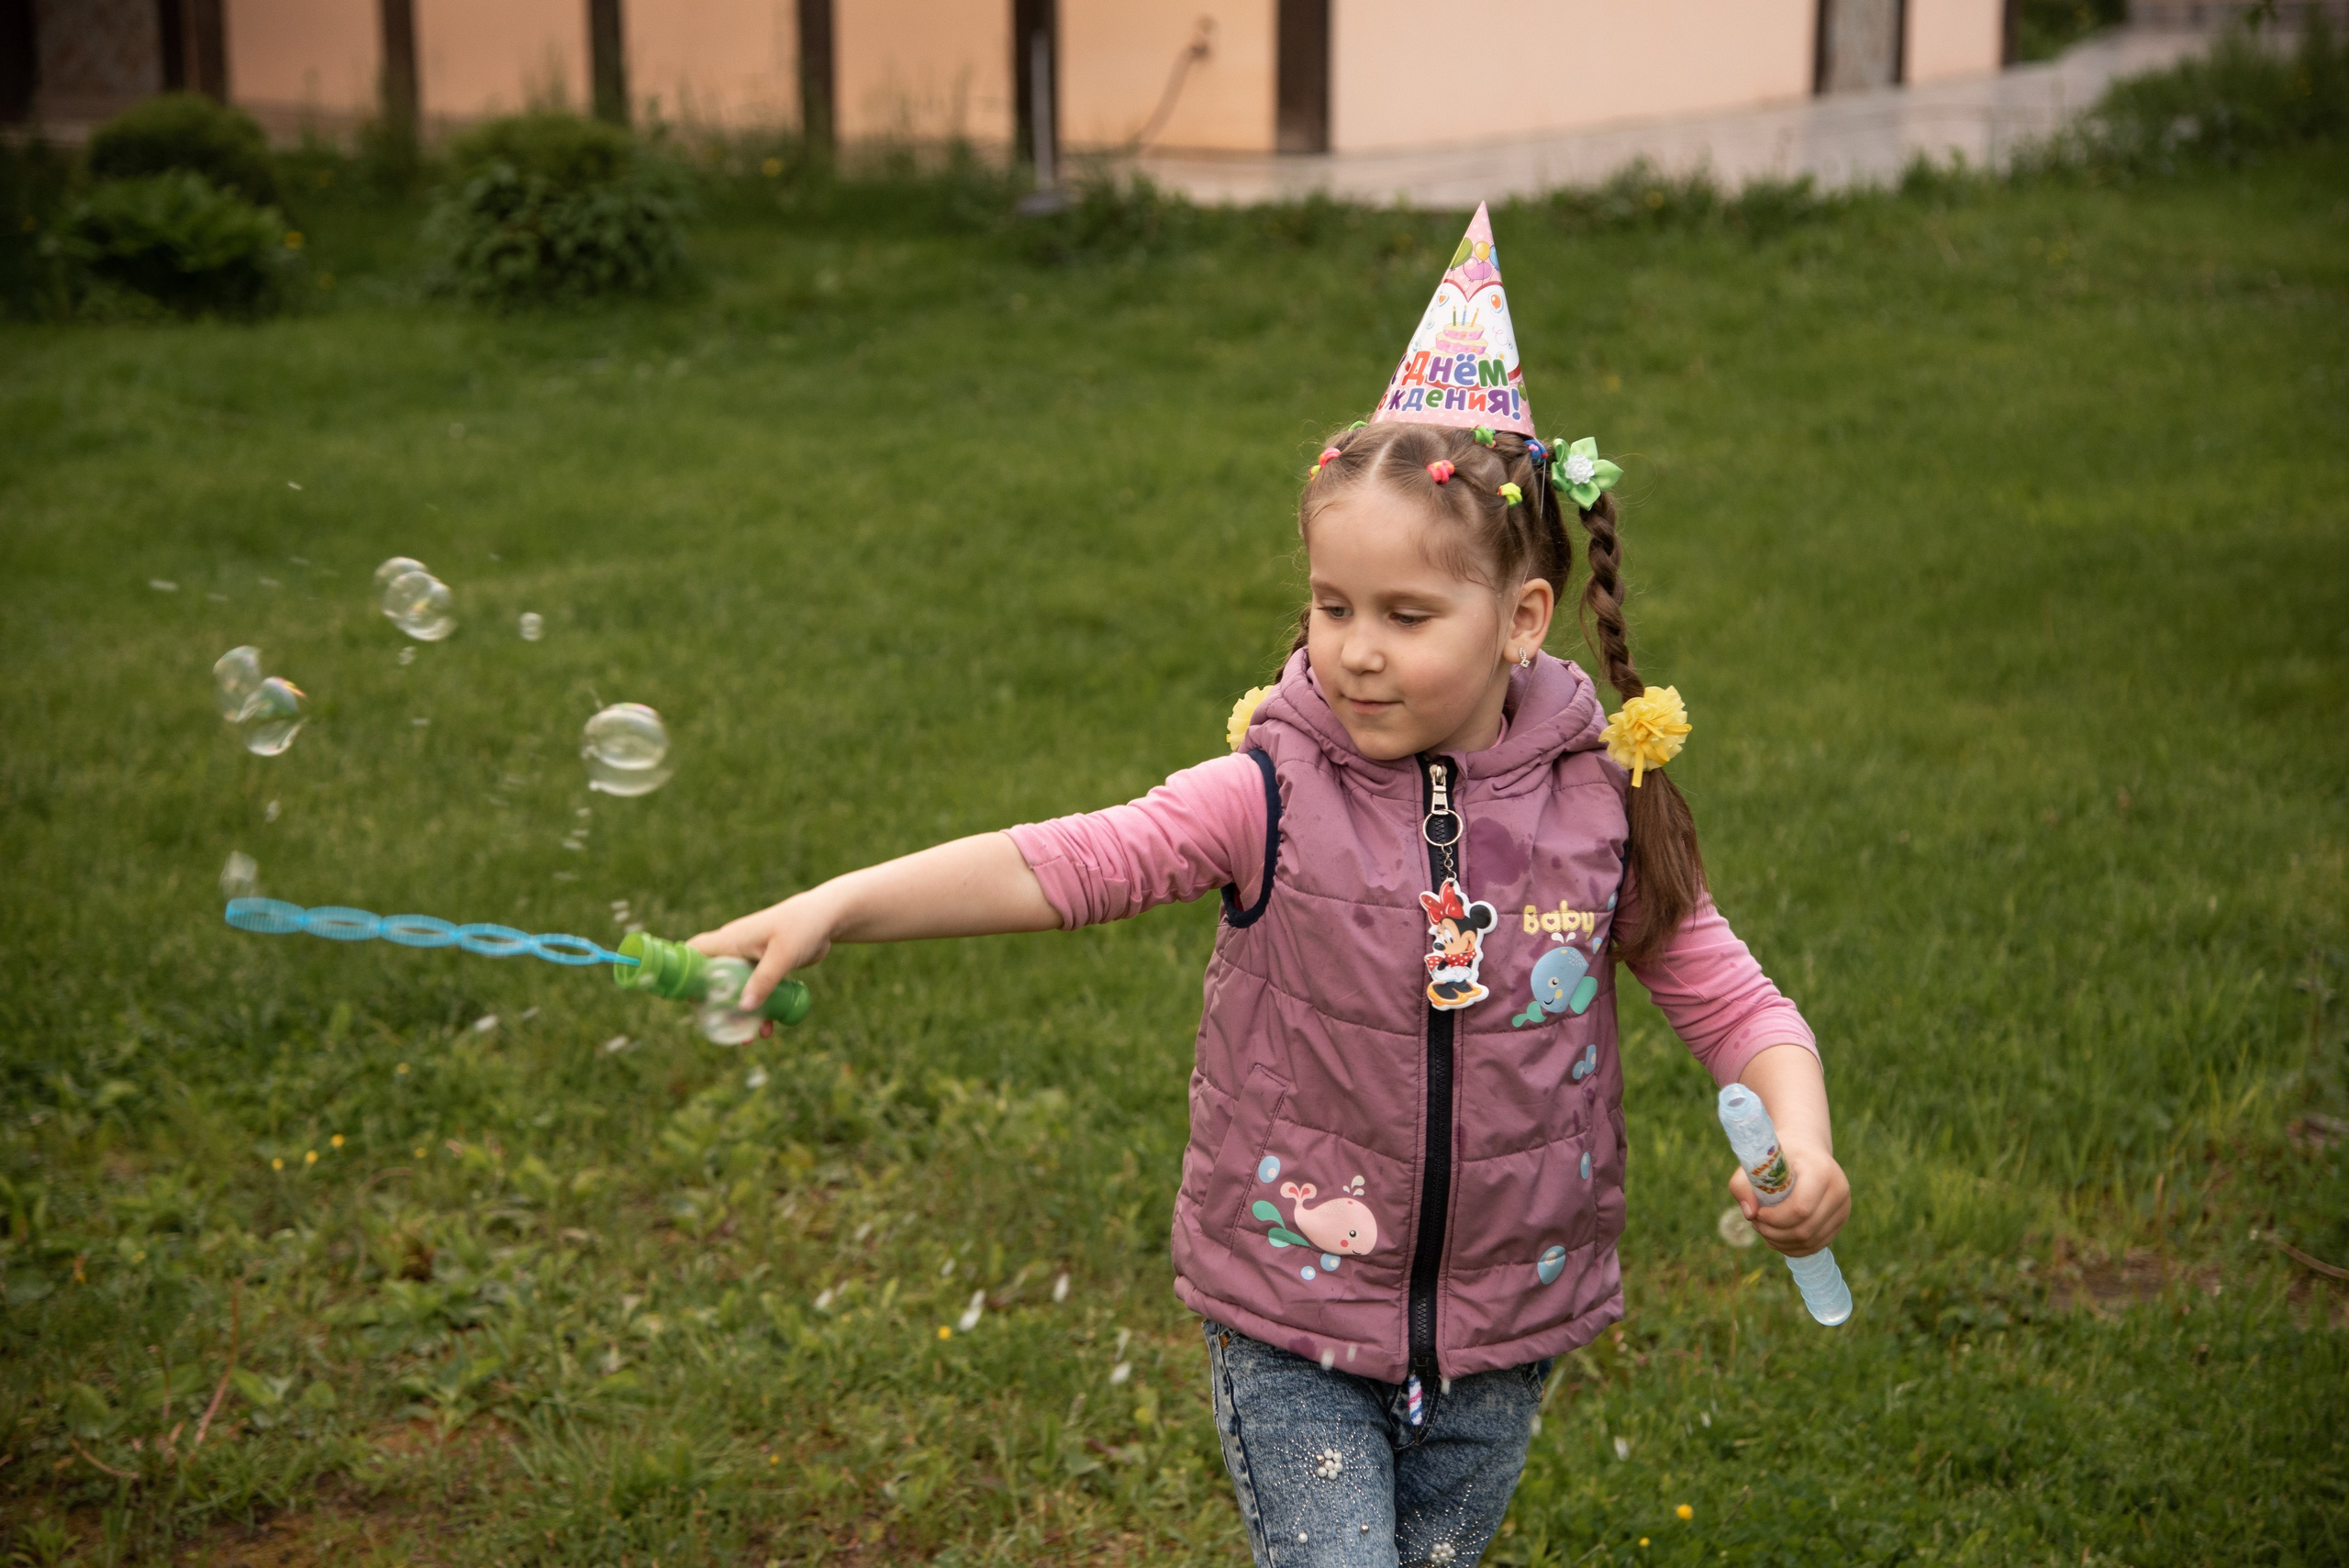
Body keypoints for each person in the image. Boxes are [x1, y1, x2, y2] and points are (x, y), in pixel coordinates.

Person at [693, 204, 1849, 1568]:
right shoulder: (1270, 790)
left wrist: (1806, 1139)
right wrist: (846, 901)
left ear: (1521, 621)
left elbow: (1729, 994)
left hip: (1505, 1320)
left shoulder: (1600, 797)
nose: (1357, 651)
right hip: (1291, 1302)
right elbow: (1070, 860)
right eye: (1333, 605)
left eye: (1408, 616)